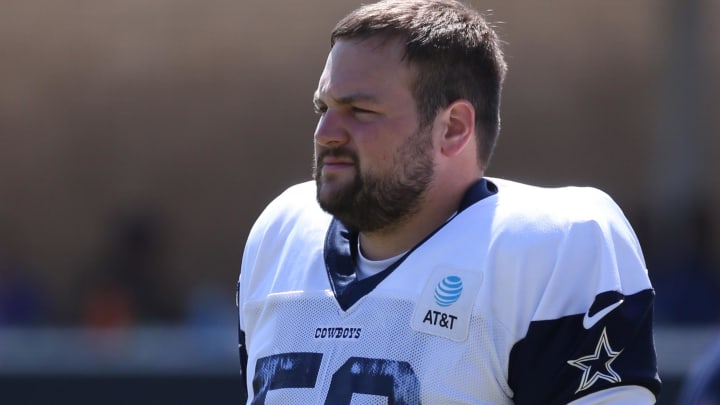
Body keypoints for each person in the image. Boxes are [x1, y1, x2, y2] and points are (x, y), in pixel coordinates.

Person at [237, 0, 661, 403]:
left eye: (359, 110)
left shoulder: (550, 245)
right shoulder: (281, 235)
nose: (326, 132)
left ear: (453, 128)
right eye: (323, 108)